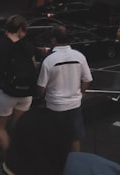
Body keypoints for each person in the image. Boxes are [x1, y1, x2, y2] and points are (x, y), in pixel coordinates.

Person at [0, 15, 36, 157]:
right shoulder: (28, 46)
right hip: (25, 93)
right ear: (21, 29)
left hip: (5, 92)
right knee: (18, 126)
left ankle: (12, 159)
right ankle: (20, 152)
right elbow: (33, 67)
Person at [35, 25, 92, 153]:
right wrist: (80, 94)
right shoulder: (79, 56)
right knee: (74, 138)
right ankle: (74, 165)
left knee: (55, 138)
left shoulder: (49, 60)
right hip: (74, 104)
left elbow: (40, 87)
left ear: (54, 40)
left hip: (55, 106)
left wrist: (43, 97)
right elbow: (87, 79)